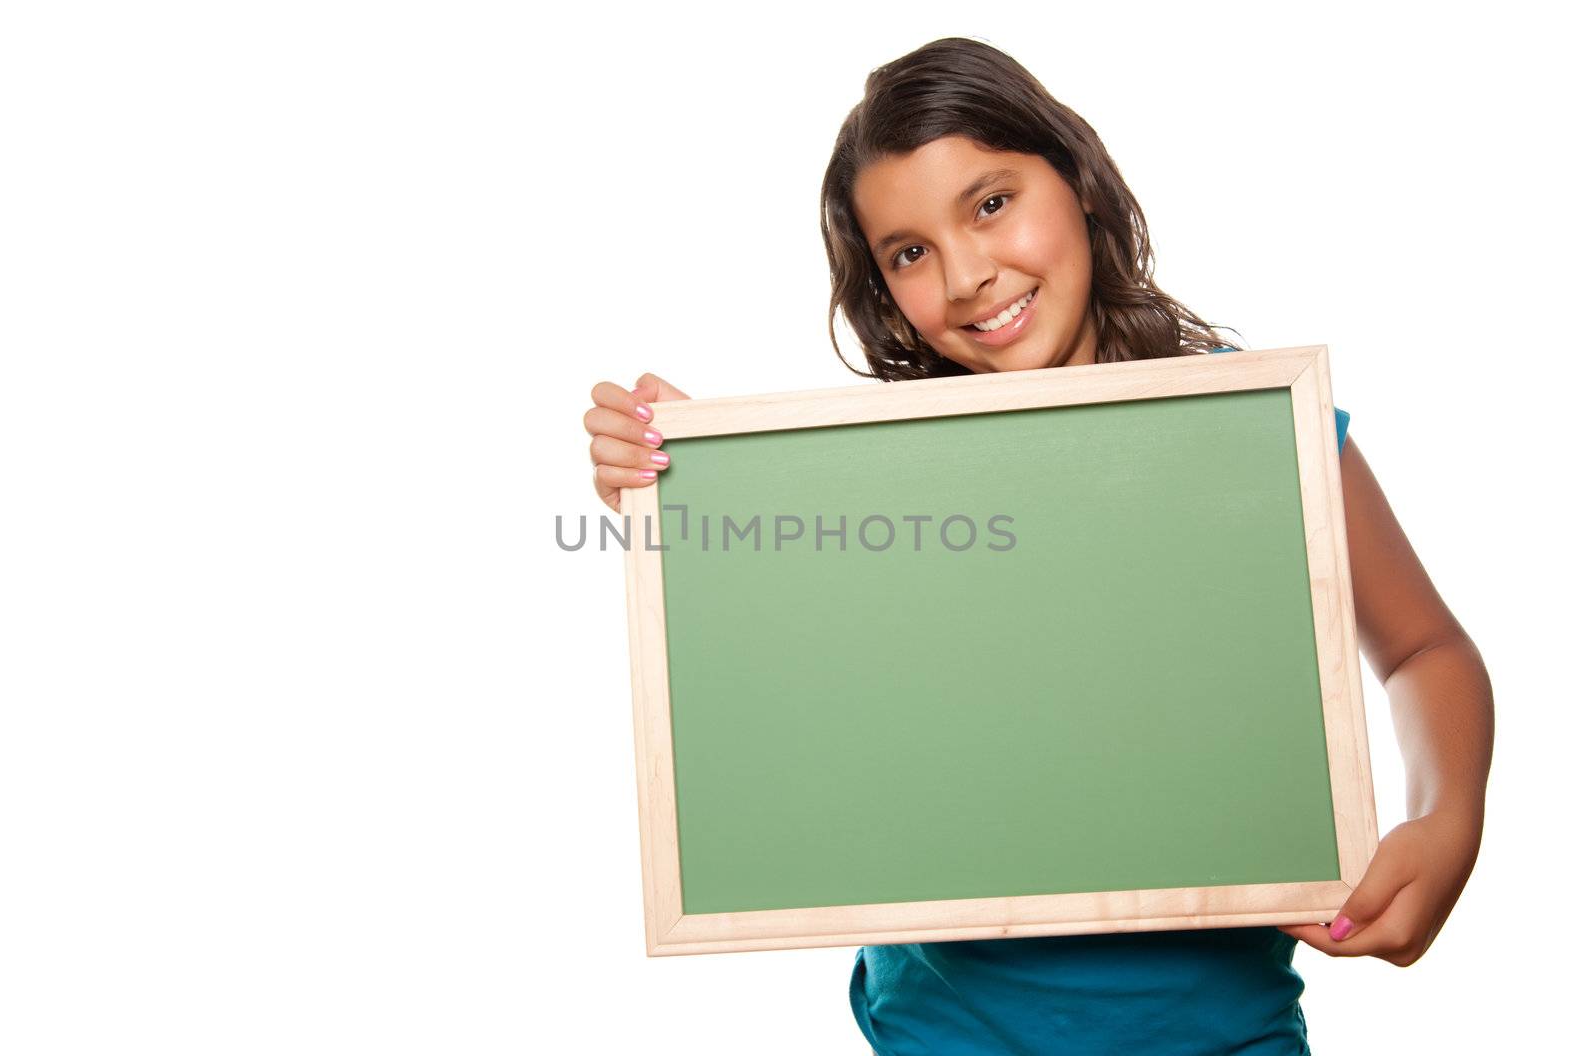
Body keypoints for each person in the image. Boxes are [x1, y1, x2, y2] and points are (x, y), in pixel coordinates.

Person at [581, 36, 1493, 1055]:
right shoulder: (887, 478)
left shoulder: (1251, 430)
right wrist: (686, 481)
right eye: (910, 252)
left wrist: (1446, 816)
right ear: (884, 291)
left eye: (990, 203)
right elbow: (793, 682)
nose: (968, 274)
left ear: (1081, 183)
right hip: (940, 1037)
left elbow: (1424, 652)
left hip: (1225, 1036)